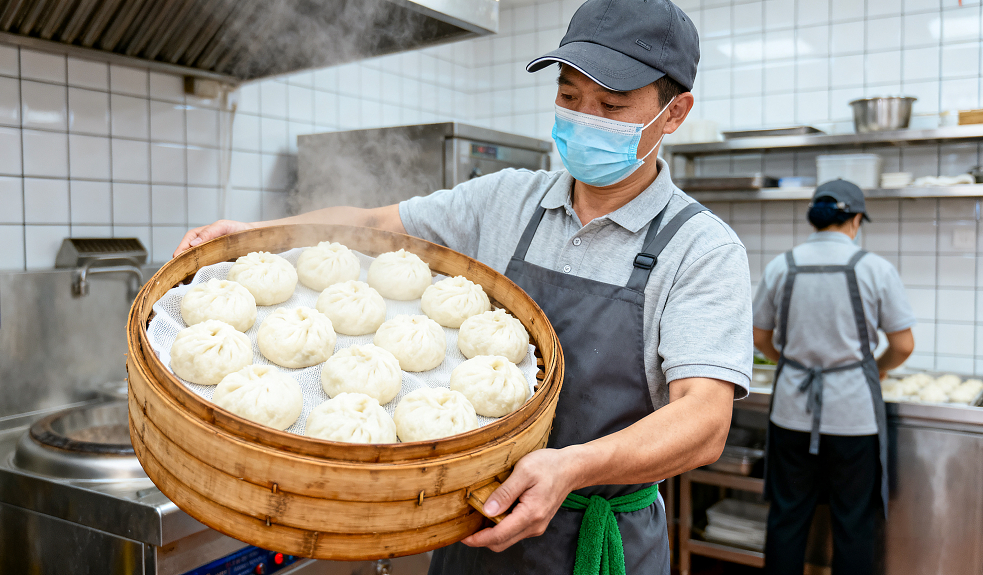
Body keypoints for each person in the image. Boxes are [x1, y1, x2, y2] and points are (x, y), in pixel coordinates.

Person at [175, 1, 754, 573]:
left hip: (596, 540)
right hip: (471, 522)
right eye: (569, 97)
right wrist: (254, 233)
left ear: (674, 113)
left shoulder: (701, 249)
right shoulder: (506, 200)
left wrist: (572, 467)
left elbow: (703, 421)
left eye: (611, 105)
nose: (583, 118)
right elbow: (377, 227)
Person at [752, 179, 915, 575]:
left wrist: (791, 361)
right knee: (853, 522)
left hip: (791, 411)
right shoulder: (875, 269)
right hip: (853, 415)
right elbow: (904, 345)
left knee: (787, 517)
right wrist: (873, 369)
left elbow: (759, 337)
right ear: (855, 220)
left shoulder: (781, 266)